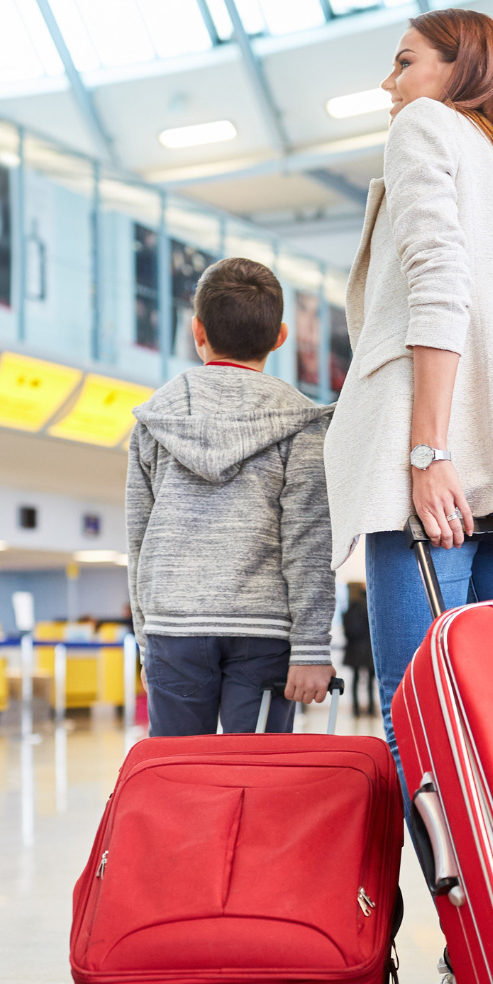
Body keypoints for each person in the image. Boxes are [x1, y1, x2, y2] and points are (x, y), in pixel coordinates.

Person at [322, 7, 493, 984]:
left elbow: (434, 288)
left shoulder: (428, 132)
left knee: (420, 727)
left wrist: (426, 451)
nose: (390, 85)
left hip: (443, 465)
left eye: (402, 63)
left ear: (454, 68)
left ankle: (469, 975)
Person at [125, 257, 336, 736]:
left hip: (172, 628)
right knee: (256, 779)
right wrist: (310, 647)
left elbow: (138, 540)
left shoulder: (155, 421)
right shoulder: (301, 424)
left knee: (178, 778)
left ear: (197, 330)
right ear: (280, 337)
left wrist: (146, 638)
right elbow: (309, 543)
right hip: (264, 632)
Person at [341, 582, 376, 715]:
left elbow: (349, 631)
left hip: (355, 649)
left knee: (355, 680)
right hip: (369, 649)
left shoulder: (350, 609)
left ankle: (356, 709)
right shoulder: (369, 606)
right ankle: (371, 709)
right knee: (370, 682)